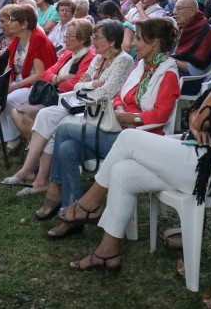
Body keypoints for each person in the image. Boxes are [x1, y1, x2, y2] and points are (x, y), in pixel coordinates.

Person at [61, 21, 211, 270]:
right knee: (122, 172)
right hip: (196, 157)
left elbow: (198, 116)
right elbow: (194, 113)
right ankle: (107, 251)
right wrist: (200, 122)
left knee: (128, 139)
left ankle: (90, 203)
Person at [47, 18, 181, 239]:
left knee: (65, 130)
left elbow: (160, 115)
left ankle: (55, 191)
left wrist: (127, 117)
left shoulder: (167, 73)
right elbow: (119, 96)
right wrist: (118, 110)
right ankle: (74, 211)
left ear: (155, 42)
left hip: (142, 143)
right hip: (118, 133)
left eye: (138, 38)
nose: (133, 43)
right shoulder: (142, 67)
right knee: (67, 149)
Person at [27, 21, 135, 219]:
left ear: (111, 41)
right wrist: (93, 84)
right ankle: (67, 202)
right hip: (83, 105)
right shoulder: (99, 58)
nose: (93, 40)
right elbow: (78, 85)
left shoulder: (124, 60)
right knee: (59, 133)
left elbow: (108, 92)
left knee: (62, 130)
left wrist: (88, 85)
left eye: (97, 37)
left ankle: (53, 187)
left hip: (101, 115)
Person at [0, 19, 97, 185]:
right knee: (16, 113)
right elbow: (46, 74)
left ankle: (34, 170)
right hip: (53, 97)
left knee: (31, 118)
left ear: (81, 40)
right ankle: (37, 164)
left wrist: (55, 80)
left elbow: (74, 85)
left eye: (69, 36)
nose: (64, 39)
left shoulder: (89, 57)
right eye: (66, 35)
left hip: (67, 102)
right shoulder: (67, 54)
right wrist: (58, 78)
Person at [0, 5, 58, 156]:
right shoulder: (18, 40)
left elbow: (40, 75)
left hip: (35, 87)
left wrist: (13, 86)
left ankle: (16, 139)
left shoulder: (38, 40)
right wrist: (3, 83)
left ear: (24, 24)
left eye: (13, 21)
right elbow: (9, 67)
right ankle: (12, 137)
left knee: (7, 100)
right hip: (19, 83)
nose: (8, 24)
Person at [172, 0, 211, 75]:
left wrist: (170, 61)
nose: (174, 12)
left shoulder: (206, 33)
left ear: (191, 12)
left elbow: (196, 70)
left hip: (188, 80)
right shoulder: (179, 29)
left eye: (179, 8)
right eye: (175, 8)